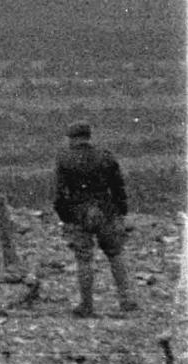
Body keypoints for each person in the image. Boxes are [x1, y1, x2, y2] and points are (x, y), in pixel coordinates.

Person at [53, 120, 137, 317]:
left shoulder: (64, 158)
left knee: (84, 259)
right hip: (106, 210)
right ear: (89, 136)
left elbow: (58, 194)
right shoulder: (105, 155)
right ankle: (126, 299)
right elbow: (118, 186)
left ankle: (87, 305)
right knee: (115, 254)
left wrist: (66, 217)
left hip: (78, 213)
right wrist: (120, 211)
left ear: (71, 138)